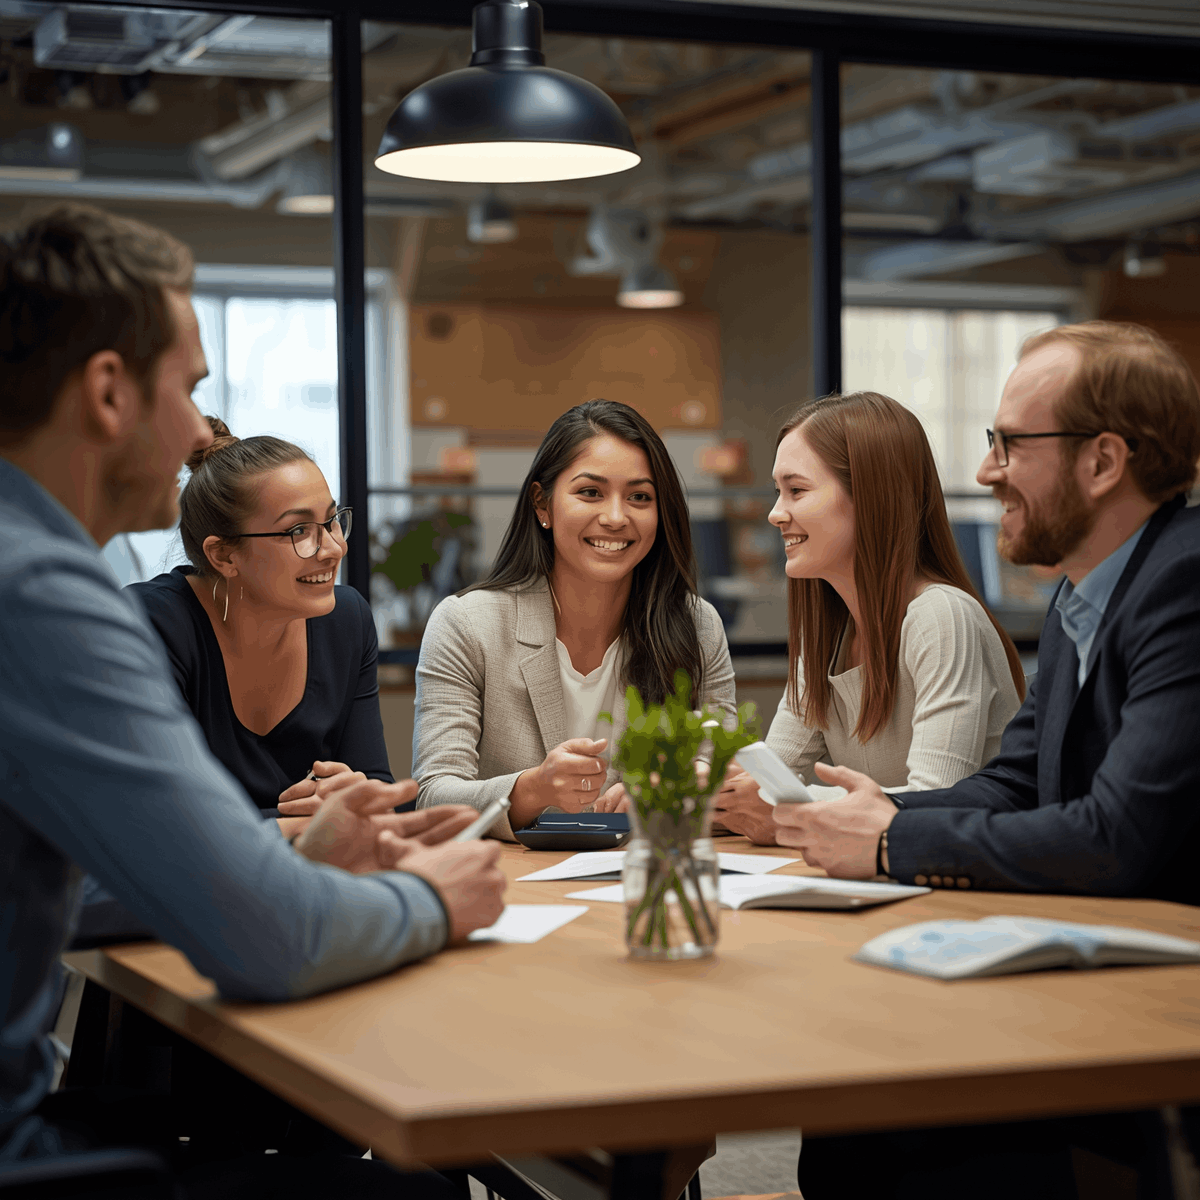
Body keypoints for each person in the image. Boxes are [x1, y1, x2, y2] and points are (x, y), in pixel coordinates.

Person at [0, 203, 506, 1195]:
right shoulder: (44, 596)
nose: (198, 426)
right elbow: (270, 941)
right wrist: (433, 900)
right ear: (108, 392)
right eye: (186, 386)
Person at [775, 321, 1200, 1199]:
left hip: (1164, 992)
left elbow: (1117, 835)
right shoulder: (1090, 594)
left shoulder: (1183, 586)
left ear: (1103, 461)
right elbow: (1013, 782)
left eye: (1010, 444)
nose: (985, 472)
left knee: (899, 1113)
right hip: (1110, 957)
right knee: (861, 1117)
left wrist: (890, 844)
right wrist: (881, 820)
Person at [413, 399, 737, 837]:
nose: (616, 517)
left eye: (640, 497)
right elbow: (434, 794)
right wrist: (534, 789)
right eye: (590, 492)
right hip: (513, 887)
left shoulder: (697, 626)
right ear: (542, 505)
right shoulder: (467, 625)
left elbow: (728, 774)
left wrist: (679, 789)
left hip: (647, 876)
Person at [714, 391, 1025, 845]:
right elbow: (770, 781)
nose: (775, 513)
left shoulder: (941, 616)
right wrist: (688, 797)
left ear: (871, 497)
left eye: (796, 490)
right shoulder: (830, 637)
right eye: (778, 492)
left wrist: (787, 806)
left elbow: (934, 801)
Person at [129, 418, 397, 834]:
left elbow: (380, 796)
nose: (333, 548)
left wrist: (358, 794)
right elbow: (155, 828)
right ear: (223, 557)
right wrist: (303, 826)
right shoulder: (152, 625)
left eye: (332, 521)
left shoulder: (346, 620)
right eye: (298, 531)